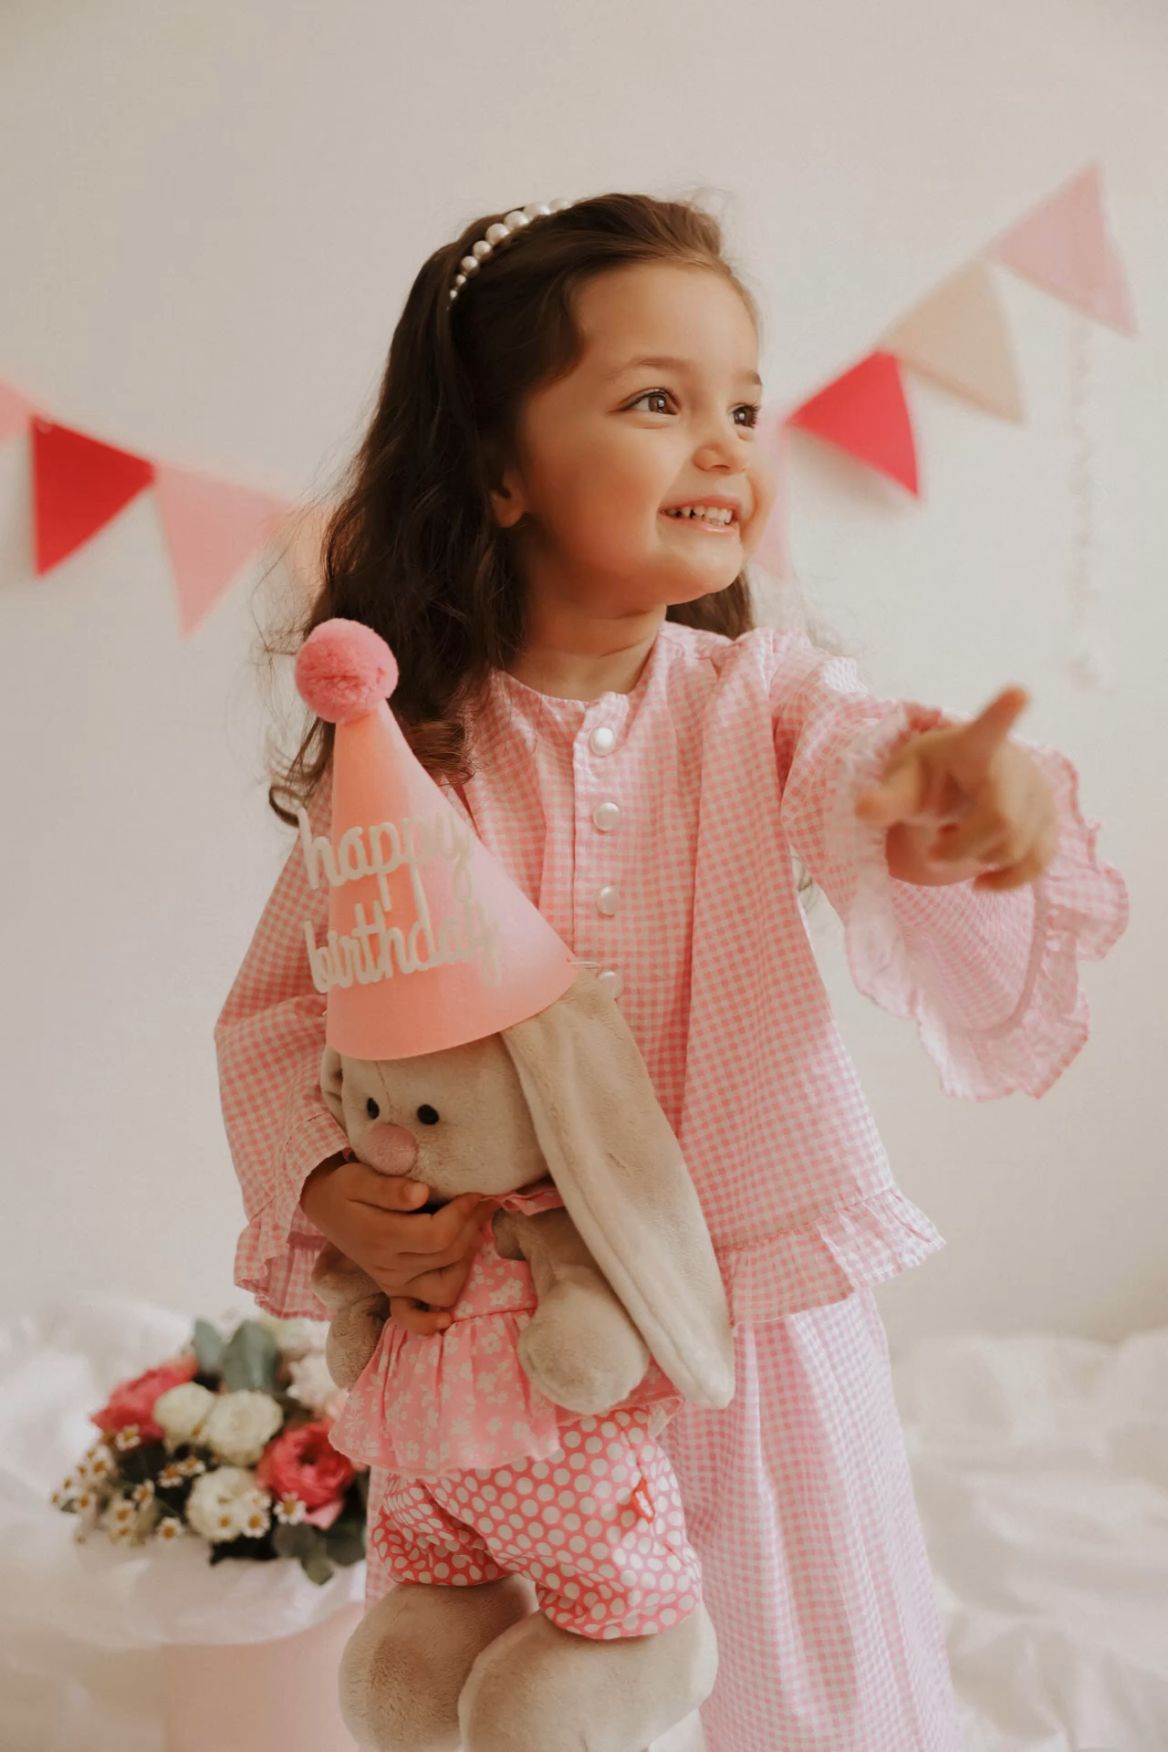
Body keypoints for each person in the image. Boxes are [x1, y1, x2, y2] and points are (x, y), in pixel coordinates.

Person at [214, 192, 1129, 1750]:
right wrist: (328, 1185)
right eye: (659, 400)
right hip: (507, 1354)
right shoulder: (409, 761)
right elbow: (280, 1018)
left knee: (812, 1682)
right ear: (499, 468)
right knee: (521, 1691)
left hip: (748, 1316)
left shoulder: (765, 704)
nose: (725, 447)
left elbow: (865, 781)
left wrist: (952, 810)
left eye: (746, 410)